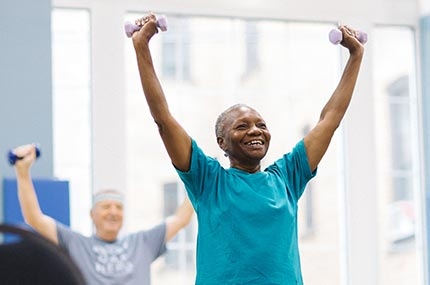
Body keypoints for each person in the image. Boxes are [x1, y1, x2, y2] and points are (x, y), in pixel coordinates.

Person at [131, 13, 364, 284]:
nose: (255, 131)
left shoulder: (288, 177)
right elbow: (163, 120)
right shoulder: (208, 180)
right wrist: (142, 47)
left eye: (261, 125)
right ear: (222, 142)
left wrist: (355, 57)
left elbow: (330, 119)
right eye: (241, 126)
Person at [12, 144, 194, 285]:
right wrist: (23, 172)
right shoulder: (76, 244)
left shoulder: (143, 242)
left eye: (118, 207)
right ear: (92, 214)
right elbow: (34, 218)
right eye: (106, 206)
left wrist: (201, 180)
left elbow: (181, 218)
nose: (113, 212)